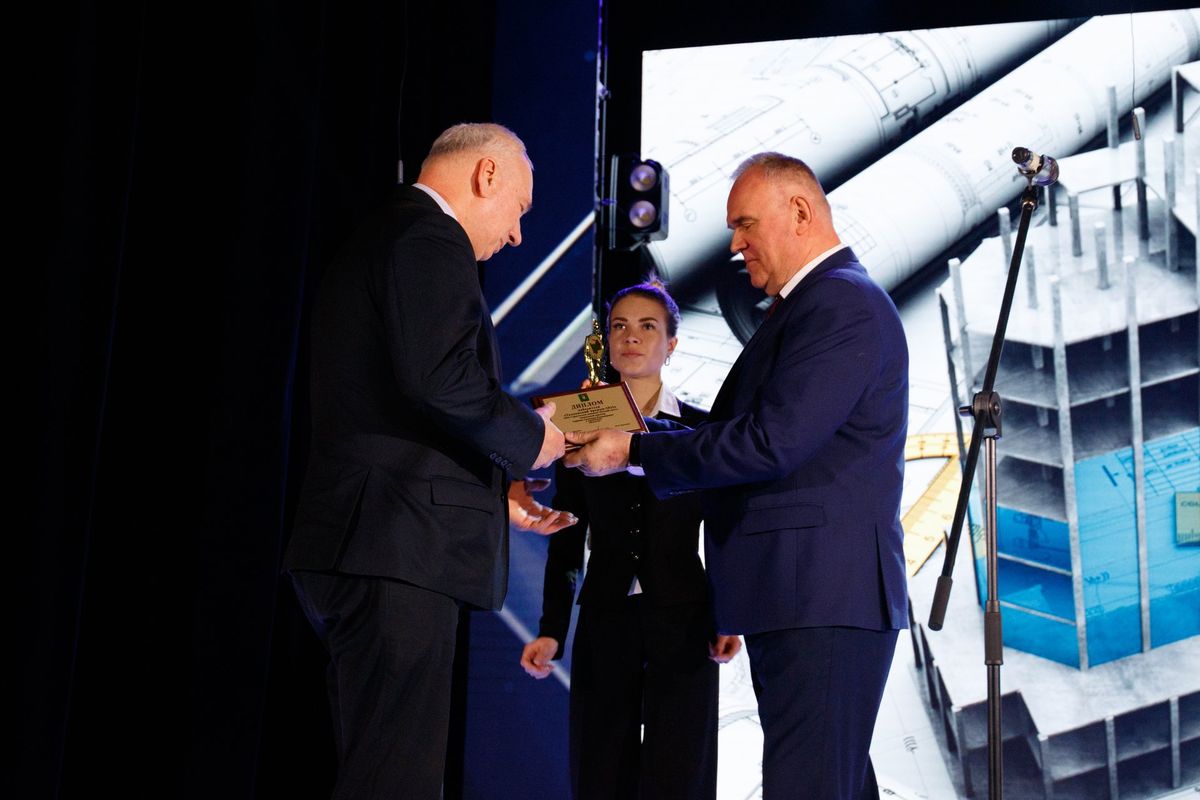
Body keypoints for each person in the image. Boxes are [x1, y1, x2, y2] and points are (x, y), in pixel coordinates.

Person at [565, 152, 909, 800]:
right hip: (804, 597)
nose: (735, 244)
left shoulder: (840, 304)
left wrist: (631, 449)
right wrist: (620, 435)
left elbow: (771, 441)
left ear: (800, 212)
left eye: (745, 224)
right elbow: (740, 432)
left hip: (821, 597)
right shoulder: (813, 306)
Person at [284, 122, 573, 800]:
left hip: (371, 541)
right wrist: (532, 439)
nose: (518, 236)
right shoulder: (427, 236)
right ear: (486, 175)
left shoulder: (392, 233)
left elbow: (395, 399)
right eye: (520, 211)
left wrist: (495, 491)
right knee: (397, 780)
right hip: (395, 547)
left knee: (382, 772)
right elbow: (441, 379)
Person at [519, 283, 741, 799]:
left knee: (681, 770)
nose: (631, 337)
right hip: (607, 615)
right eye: (619, 326)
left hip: (684, 617)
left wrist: (729, 616)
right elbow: (567, 533)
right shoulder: (577, 424)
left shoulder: (700, 429)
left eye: (647, 327)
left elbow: (724, 528)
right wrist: (552, 629)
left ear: (672, 344)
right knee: (600, 767)